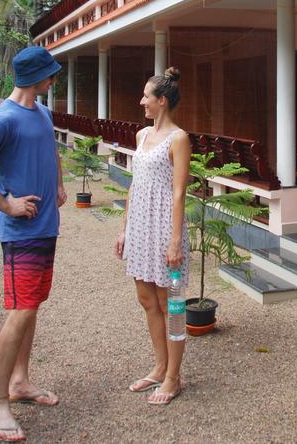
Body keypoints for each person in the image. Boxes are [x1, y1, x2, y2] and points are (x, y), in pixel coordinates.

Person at [0, 45, 66, 442]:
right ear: (36, 77)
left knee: (31, 306)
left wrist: (57, 183)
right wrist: (7, 204)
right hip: (21, 234)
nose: (55, 79)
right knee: (21, 310)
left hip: (45, 227)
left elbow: (49, 146)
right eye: (51, 74)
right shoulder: (2, 119)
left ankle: (20, 382)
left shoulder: (41, 111)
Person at [115, 66, 190, 405]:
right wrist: (124, 228)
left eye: (146, 96)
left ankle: (174, 377)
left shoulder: (179, 139)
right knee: (147, 300)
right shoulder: (141, 136)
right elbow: (135, 184)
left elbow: (178, 193)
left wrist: (175, 241)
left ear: (161, 100)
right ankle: (159, 367)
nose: (141, 101)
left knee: (170, 304)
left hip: (165, 229)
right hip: (141, 228)